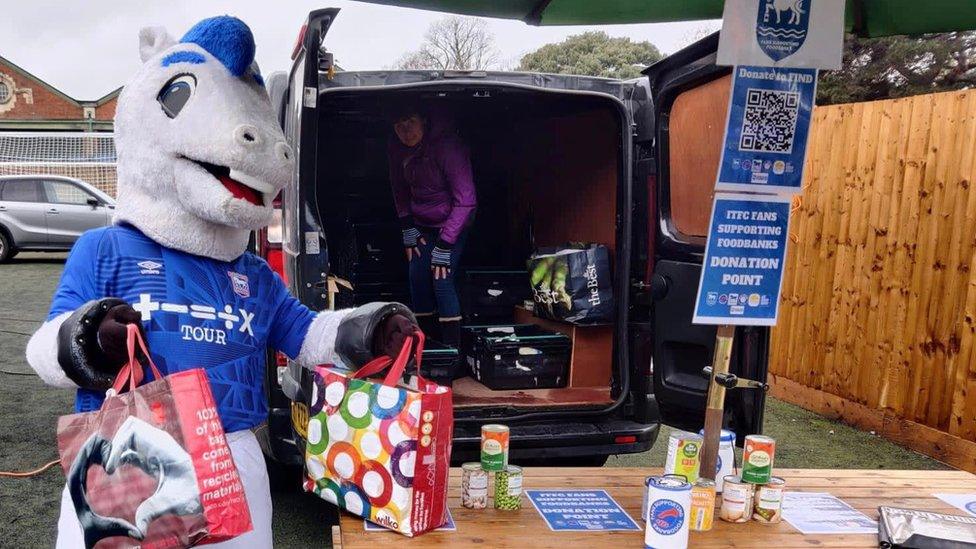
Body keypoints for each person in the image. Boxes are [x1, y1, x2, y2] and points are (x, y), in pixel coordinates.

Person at [25, 17, 417, 548]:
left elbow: (305, 333)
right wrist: (86, 337)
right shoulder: (106, 249)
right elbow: (43, 349)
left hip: (231, 456)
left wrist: (366, 330)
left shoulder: (252, 276)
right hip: (127, 450)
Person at [388, 105, 477, 347]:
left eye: (410, 121)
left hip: (453, 222)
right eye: (398, 125)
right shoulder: (398, 150)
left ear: (424, 121)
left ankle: (451, 352)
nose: (405, 131)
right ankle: (425, 346)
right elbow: (399, 189)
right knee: (416, 275)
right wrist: (407, 225)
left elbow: (466, 201)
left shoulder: (448, 147)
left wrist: (445, 244)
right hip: (422, 223)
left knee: (442, 278)